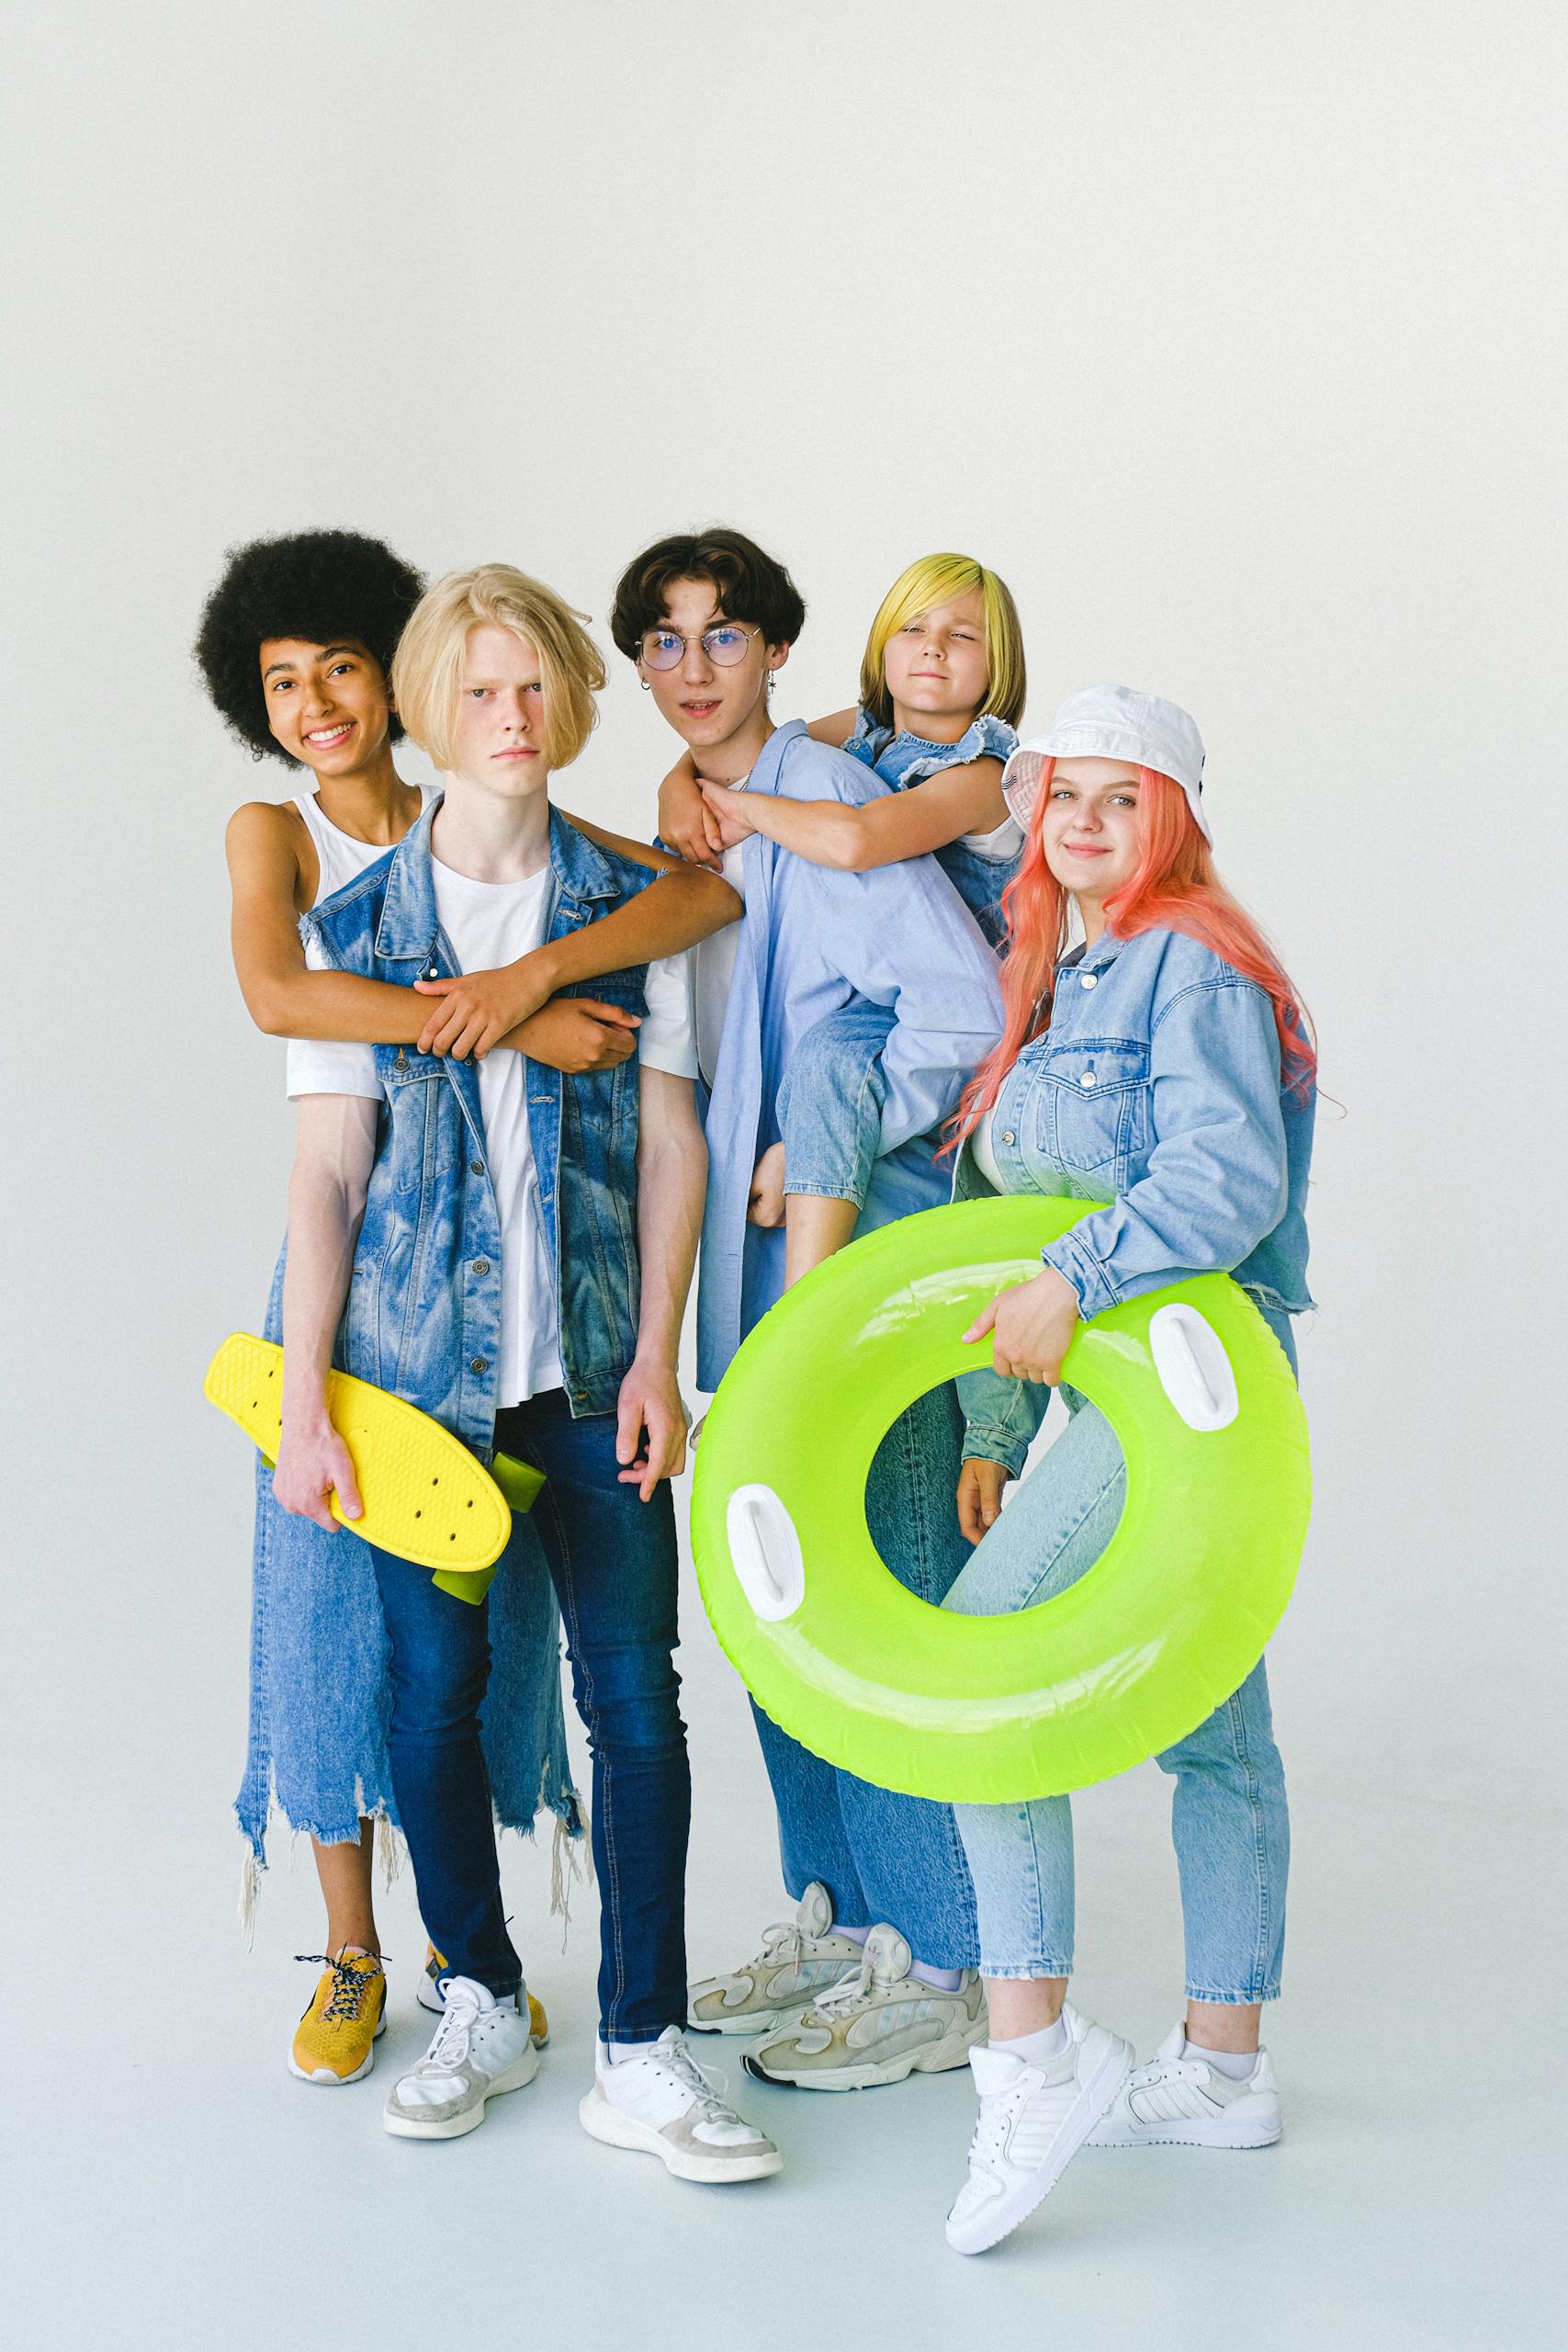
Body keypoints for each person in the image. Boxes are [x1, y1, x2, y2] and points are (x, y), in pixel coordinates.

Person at [197, 530, 740, 2088]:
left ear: (570, 702)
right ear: (434, 709)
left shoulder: (644, 909)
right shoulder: (351, 928)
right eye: (476, 688)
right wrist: (304, 1407)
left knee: (635, 1701)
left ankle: (647, 2038)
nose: (507, 712)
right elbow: (324, 1180)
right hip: (411, 1381)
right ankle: (474, 1995)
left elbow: (672, 1142)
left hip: (587, 1379)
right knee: (426, 1700)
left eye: (530, 685)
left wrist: (657, 1359)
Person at [610, 526, 1006, 2088]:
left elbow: (959, 1015)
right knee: (780, 1603)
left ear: (777, 649)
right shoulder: (699, 831)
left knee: (885, 1594)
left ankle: (947, 1961)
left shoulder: (833, 796)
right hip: (748, 1289)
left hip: (871, 1270)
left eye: (724, 635)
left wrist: (824, 1127)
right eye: (663, 639)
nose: (693, 666)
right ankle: (844, 1925)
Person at [933, 686, 1316, 2256]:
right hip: (1121, 1393)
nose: (1082, 825)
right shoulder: (1060, 972)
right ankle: (1222, 2074)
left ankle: (1036, 2052)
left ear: (1169, 818)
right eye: (1061, 797)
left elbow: (1223, 1180)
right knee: (1211, 1726)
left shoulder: (1193, 960)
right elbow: (1010, 1228)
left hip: (1195, 1382)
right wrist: (999, 1429)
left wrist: (1079, 1288)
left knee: (983, 1664)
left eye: (1119, 800)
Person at [658, 551, 1026, 1288]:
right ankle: (804, 1321)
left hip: (944, 1003)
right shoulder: (859, 730)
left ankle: (808, 1315)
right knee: (816, 1068)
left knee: (830, 1077)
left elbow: (856, 841)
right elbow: (747, 749)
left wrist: (742, 809)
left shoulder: (986, 772)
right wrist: (675, 781)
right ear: (880, 645)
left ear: (999, 666)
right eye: (912, 627)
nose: (931, 646)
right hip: (871, 994)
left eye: (962, 636)